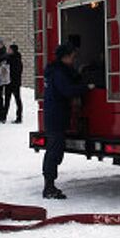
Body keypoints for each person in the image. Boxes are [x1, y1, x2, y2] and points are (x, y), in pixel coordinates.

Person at [42, 43, 93, 199]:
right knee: (54, 151)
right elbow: (67, 90)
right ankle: (49, 187)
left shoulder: (58, 71)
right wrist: (87, 87)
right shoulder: (58, 73)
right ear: (65, 56)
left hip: (55, 115)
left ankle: (49, 184)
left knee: (54, 150)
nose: (74, 59)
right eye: (72, 56)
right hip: (55, 116)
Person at [4, 44, 23, 124]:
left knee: (17, 100)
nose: (8, 50)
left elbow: (17, 72)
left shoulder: (17, 60)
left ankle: (19, 117)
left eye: (10, 49)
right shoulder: (7, 58)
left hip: (15, 83)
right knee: (7, 100)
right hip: (8, 82)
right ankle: (3, 116)